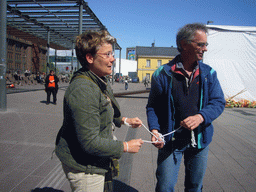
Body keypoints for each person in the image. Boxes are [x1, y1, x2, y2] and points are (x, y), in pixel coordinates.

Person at [55, 30, 144, 192]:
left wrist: (125, 120)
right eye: (107, 54)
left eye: (113, 53)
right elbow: (89, 142)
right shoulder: (83, 89)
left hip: (94, 161)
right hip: (85, 168)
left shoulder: (97, 78)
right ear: (89, 58)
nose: (113, 58)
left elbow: (107, 108)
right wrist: (125, 146)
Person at [146, 23, 226, 191]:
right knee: (164, 187)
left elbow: (218, 101)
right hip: (170, 142)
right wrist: (154, 130)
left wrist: (201, 117)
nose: (205, 49)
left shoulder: (208, 73)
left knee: (194, 186)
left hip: (199, 141)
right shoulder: (162, 74)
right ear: (184, 44)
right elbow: (152, 106)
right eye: (200, 44)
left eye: (206, 44)